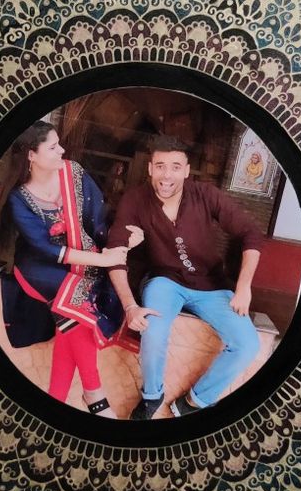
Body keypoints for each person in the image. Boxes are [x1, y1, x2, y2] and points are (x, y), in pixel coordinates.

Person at [0, 120, 142, 418]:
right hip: (40, 270)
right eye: (53, 146)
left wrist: (124, 239)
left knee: (69, 319)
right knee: (77, 304)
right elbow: (46, 249)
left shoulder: (74, 173)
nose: (63, 150)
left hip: (83, 261)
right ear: (31, 155)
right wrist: (105, 261)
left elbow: (101, 218)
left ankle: (55, 401)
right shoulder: (19, 198)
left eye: (60, 144)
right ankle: (95, 395)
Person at [107, 134, 263, 420]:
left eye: (176, 166)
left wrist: (244, 287)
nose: (168, 175)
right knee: (153, 329)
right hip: (164, 281)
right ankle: (151, 397)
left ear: (187, 170)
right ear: (150, 168)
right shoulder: (135, 199)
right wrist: (130, 306)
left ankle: (195, 401)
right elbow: (115, 252)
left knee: (248, 345)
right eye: (161, 166)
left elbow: (250, 233)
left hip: (212, 286)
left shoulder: (205, 194)